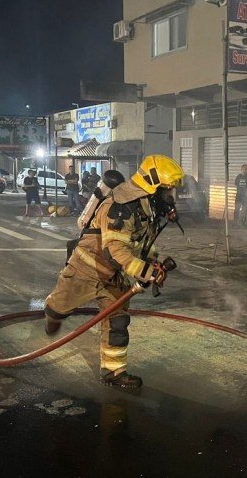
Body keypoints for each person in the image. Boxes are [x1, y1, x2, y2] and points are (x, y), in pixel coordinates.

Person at [44, 155, 184, 389]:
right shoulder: (120, 207)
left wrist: (152, 263)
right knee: (58, 309)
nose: (170, 197)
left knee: (118, 321)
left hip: (114, 276)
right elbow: (116, 249)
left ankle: (114, 373)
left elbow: (139, 244)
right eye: (167, 190)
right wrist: (145, 271)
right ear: (153, 184)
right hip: (86, 270)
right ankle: (52, 316)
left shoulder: (144, 205)